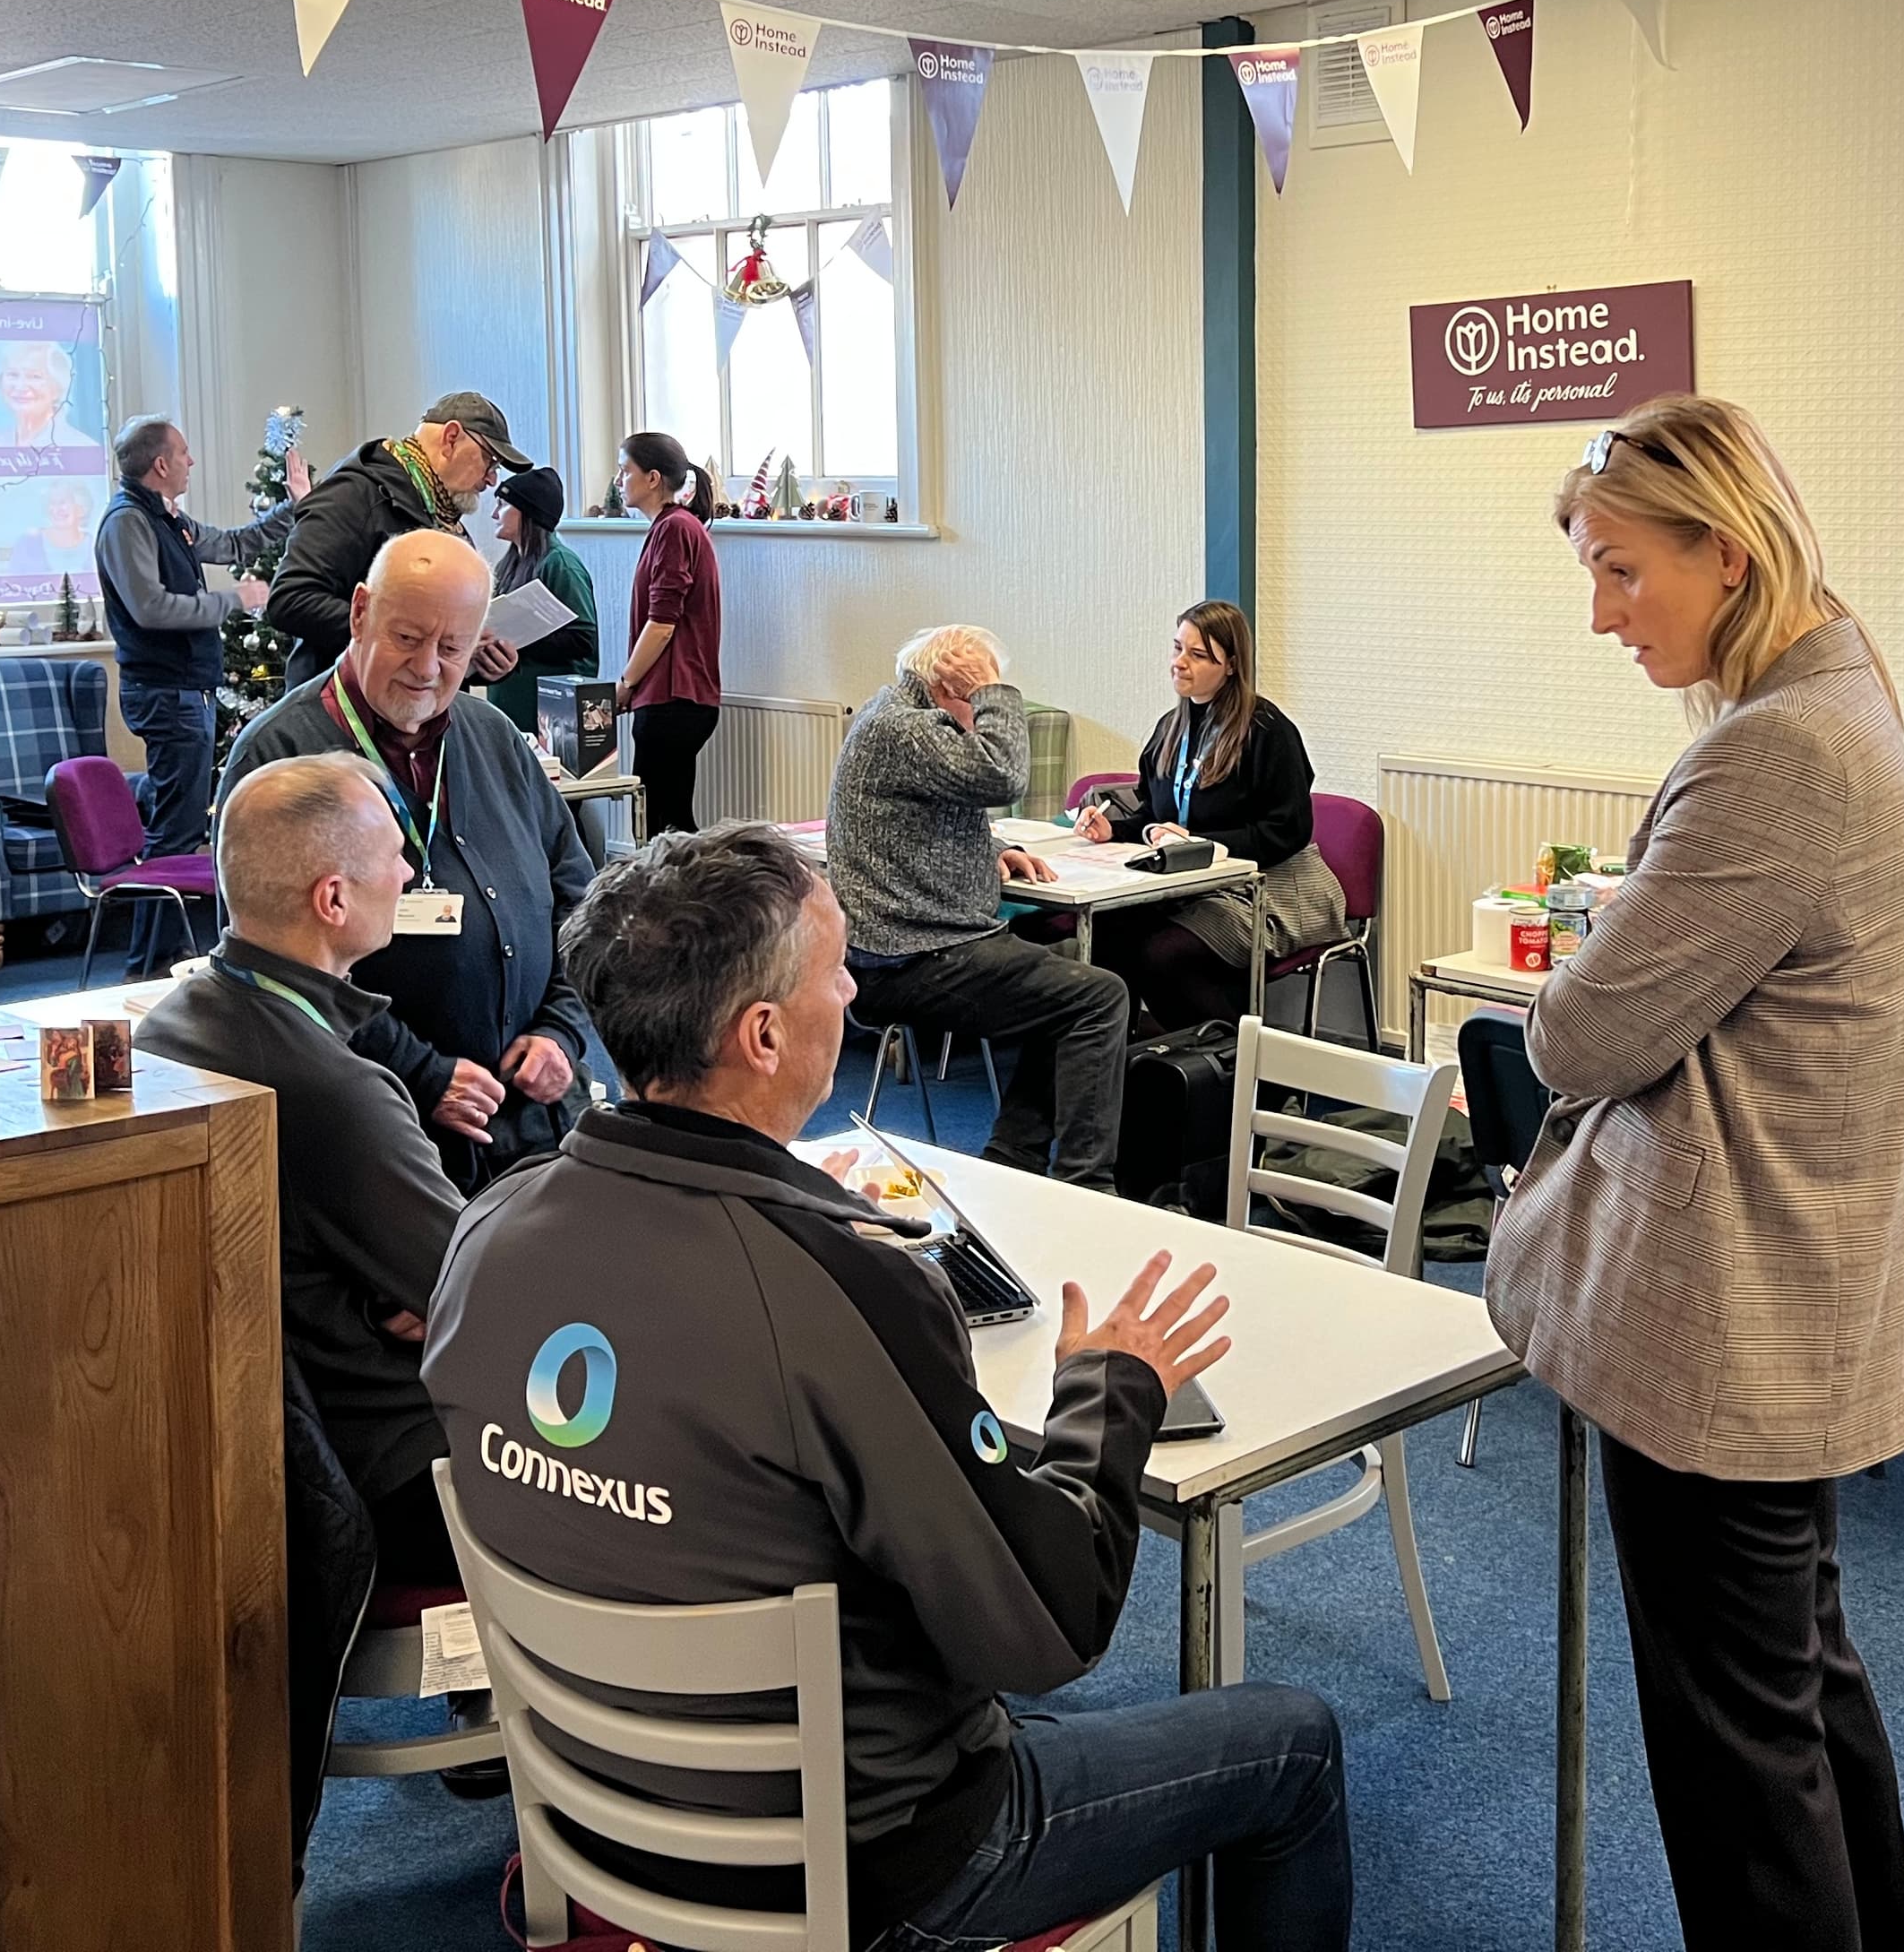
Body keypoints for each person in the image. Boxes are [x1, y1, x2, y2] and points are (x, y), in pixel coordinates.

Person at [426, 824, 1351, 1952]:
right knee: (1294, 1741)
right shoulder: (840, 1279)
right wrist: (1112, 1388)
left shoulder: (490, 1227)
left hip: (593, 1809)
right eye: (837, 970)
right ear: (763, 1034)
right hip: (859, 1861)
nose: (856, 990)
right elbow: (1048, 1620)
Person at [1481, 396, 1904, 1950]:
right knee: (1799, 1695)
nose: (1602, 613)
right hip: (1787, 1290)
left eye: (1621, 573)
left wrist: (1588, 959)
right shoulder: (1840, 689)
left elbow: (1581, 1035)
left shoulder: (1776, 753)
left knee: (1739, 1761)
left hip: (1723, 1314)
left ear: (1725, 558)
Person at [131, 755, 466, 1857]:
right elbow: (469, 1293)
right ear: (334, 900)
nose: (410, 868)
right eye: (391, 858)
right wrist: (418, 1298)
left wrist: (405, 1292)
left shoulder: (175, 1022)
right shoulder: (338, 1091)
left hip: (267, 1432)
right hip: (394, 1459)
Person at [222, 533, 602, 1186]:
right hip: (387, 1139)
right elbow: (272, 972)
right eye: (407, 638)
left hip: (537, 1121)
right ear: (361, 613)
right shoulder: (280, 757)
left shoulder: (495, 739)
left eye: (453, 647)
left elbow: (581, 900)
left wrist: (562, 1031)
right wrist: (424, 1072)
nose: (427, 667)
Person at [828, 626, 1132, 1188]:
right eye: (977, 694)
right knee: (1098, 996)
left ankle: (1014, 1161)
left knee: (1064, 980)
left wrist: (996, 849)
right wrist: (997, 692)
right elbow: (1003, 775)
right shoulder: (906, 727)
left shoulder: (895, 717)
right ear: (951, 686)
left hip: (917, 945)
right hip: (911, 957)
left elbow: (928, 811)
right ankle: (1089, 1184)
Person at [1072, 602, 1348, 1030]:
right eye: (1178, 648)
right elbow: (1156, 814)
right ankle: (1119, 1069)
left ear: (1232, 664)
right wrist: (1115, 829)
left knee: (1162, 955)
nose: (1179, 664)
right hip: (1192, 884)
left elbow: (1287, 830)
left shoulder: (1268, 730)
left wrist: (1204, 847)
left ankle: (1245, 1072)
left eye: (1198, 655)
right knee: (1107, 934)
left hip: (1269, 885)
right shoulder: (1170, 728)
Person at [95, 416, 309, 866]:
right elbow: (151, 608)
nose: (191, 461)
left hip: (188, 688)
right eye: (182, 453)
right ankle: (157, 939)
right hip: (166, 691)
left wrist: (295, 507)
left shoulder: (168, 518)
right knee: (175, 832)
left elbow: (234, 545)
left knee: (184, 825)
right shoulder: (127, 522)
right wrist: (235, 599)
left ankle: (166, 938)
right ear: (160, 463)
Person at [268, 392, 531, 687]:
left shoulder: (438, 514)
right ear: (451, 438)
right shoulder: (354, 495)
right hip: (345, 712)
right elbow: (290, 600)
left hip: (419, 714)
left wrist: (482, 662)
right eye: (490, 460)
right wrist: (401, 635)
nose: (492, 479)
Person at [608, 429, 722, 835]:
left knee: (661, 823)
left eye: (625, 472)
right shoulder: (674, 527)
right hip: (676, 698)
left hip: (673, 696)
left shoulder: (675, 529)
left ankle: (684, 899)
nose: (619, 481)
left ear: (653, 478)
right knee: (668, 818)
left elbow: (661, 624)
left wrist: (625, 683)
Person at [481, 463, 599, 742]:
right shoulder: (509, 564)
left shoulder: (561, 564)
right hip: (512, 708)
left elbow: (582, 639)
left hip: (550, 717)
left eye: (503, 505)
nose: (494, 514)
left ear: (528, 512)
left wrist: (518, 639)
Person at [0, 338, 99, 451]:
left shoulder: (83, 448)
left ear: (57, 388)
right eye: (13, 375)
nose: (21, 387)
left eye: (34, 376)